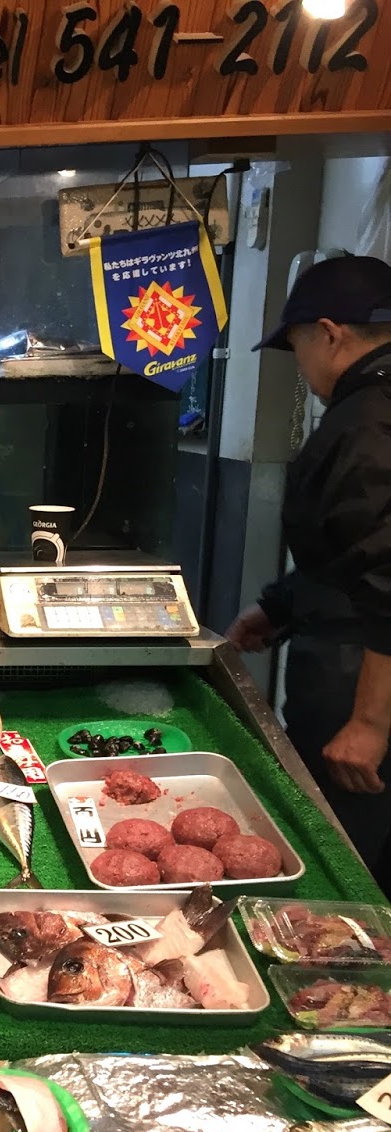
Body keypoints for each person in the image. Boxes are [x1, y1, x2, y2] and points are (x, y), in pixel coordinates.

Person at [226, 255, 391, 885]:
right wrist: (281, 605)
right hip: (347, 648)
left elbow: (387, 580)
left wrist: (369, 722)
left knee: (345, 861)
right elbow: (352, 551)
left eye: (296, 346)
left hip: (363, 675)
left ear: (329, 333)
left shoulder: (370, 423)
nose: (299, 364)